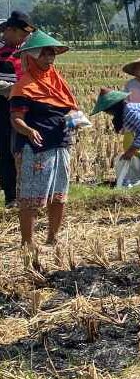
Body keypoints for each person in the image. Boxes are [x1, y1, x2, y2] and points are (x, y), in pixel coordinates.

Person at [8, 30, 79, 247]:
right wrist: (28, 130)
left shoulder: (59, 83)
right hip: (35, 148)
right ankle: (28, 242)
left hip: (61, 144)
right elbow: (16, 119)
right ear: (32, 57)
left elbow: (71, 110)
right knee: (30, 198)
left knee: (59, 195)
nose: (49, 59)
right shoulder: (24, 86)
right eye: (44, 54)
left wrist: (74, 121)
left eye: (52, 54)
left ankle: (53, 237)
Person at [0, 11, 34, 206]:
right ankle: (11, 196)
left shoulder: (25, 50)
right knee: (6, 149)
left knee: (24, 147)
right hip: (3, 104)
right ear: (10, 30)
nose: (23, 39)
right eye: (21, 35)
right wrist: (11, 89)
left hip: (25, 103)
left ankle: (29, 192)